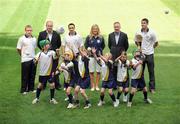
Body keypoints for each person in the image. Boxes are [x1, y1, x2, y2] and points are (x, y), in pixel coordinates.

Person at [134, 18, 158, 93]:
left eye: (144, 23)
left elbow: (156, 42)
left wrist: (152, 48)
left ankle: (152, 88)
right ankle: (141, 86)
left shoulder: (152, 32)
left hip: (150, 54)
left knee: (151, 71)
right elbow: (136, 41)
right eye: (142, 23)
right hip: (141, 55)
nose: (142, 24)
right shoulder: (138, 32)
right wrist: (139, 47)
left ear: (147, 24)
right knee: (141, 71)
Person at [32, 40, 59, 104]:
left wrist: (57, 52)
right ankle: (37, 98)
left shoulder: (52, 52)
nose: (49, 45)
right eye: (47, 44)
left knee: (52, 85)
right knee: (40, 85)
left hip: (49, 72)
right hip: (42, 73)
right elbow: (34, 61)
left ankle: (52, 99)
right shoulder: (39, 54)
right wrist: (35, 61)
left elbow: (56, 57)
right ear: (43, 47)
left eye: (48, 44)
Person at [38, 20, 61, 90]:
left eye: (51, 26)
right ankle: (43, 84)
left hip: (54, 55)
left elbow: (59, 44)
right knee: (45, 69)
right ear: (46, 26)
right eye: (48, 26)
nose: (49, 27)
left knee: (55, 69)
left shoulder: (56, 34)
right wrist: (44, 50)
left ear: (52, 26)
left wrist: (56, 52)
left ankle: (56, 84)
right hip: (45, 55)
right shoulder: (42, 34)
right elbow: (39, 44)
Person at [62, 23, 83, 91]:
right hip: (67, 56)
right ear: (68, 28)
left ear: (74, 28)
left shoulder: (78, 36)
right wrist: (63, 55)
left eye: (72, 27)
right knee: (66, 70)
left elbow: (81, 46)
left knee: (76, 70)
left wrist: (80, 54)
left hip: (76, 55)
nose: (71, 29)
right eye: (70, 28)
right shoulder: (66, 37)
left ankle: (77, 83)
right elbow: (63, 46)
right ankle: (66, 85)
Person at [84, 24, 105, 91]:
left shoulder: (101, 37)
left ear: (98, 30)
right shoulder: (89, 37)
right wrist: (89, 50)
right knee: (91, 72)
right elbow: (86, 46)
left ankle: (97, 85)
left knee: (98, 71)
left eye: (96, 29)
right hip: (91, 57)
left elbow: (103, 46)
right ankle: (92, 85)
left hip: (99, 57)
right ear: (92, 30)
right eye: (93, 29)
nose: (95, 30)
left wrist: (99, 52)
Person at [16, 25, 37, 94]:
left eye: (30, 30)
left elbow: (34, 48)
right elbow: (18, 49)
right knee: (25, 75)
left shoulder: (34, 39)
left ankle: (31, 88)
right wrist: (23, 55)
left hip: (33, 59)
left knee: (32, 75)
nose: (29, 32)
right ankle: (23, 90)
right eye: (28, 30)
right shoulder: (21, 39)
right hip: (25, 59)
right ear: (25, 31)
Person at [108, 21, 129, 88]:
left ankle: (123, 83)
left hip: (121, 55)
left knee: (122, 68)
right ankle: (114, 85)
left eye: (117, 27)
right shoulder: (110, 35)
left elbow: (126, 45)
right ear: (114, 27)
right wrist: (113, 51)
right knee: (113, 69)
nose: (116, 28)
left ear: (120, 27)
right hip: (113, 54)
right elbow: (109, 45)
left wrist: (122, 52)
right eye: (115, 27)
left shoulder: (124, 35)